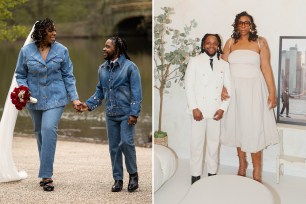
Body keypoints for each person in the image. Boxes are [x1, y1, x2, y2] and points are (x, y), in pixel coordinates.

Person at [15, 18, 81, 191]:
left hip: (56, 98)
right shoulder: (26, 51)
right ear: (41, 32)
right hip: (34, 99)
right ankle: (46, 171)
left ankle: (46, 176)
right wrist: (25, 90)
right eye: (51, 30)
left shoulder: (62, 50)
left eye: (55, 30)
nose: (54, 33)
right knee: (40, 134)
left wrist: (74, 98)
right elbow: (20, 74)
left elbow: (68, 76)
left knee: (48, 129)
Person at [77, 36, 142, 192]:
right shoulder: (102, 69)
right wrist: (87, 105)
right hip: (110, 114)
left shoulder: (130, 67)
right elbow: (100, 92)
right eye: (104, 46)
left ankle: (133, 175)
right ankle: (118, 179)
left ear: (117, 49)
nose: (104, 49)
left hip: (127, 114)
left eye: (107, 46)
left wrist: (134, 113)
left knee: (126, 143)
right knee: (114, 148)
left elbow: (137, 93)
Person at [221, 11, 279, 182]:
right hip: (235, 91)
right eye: (241, 22)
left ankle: (257, 172)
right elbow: (222, 69)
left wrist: (272, 93)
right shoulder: (230, 42)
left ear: (252, 25)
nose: (244, 25)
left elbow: (266, 68)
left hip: (254, 90)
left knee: (254, 129)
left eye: (247, 22)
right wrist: (223, 88)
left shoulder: (261, 42)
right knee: (238, 126)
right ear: (236, 25)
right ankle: (241, 165)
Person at [185, 34, 231, 185]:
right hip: (199, 110)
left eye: (215, 43)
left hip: (215, 111)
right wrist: (194, 108)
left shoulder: (224, 64)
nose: (211, 46)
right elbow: (189, 86)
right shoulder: (195, 61)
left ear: (218, 45)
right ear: (203, 44)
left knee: (213, 144)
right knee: (196, 144)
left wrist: (222, 108)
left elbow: (229, 89)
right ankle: (195, 176)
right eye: (208, 43)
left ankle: (212, 174)